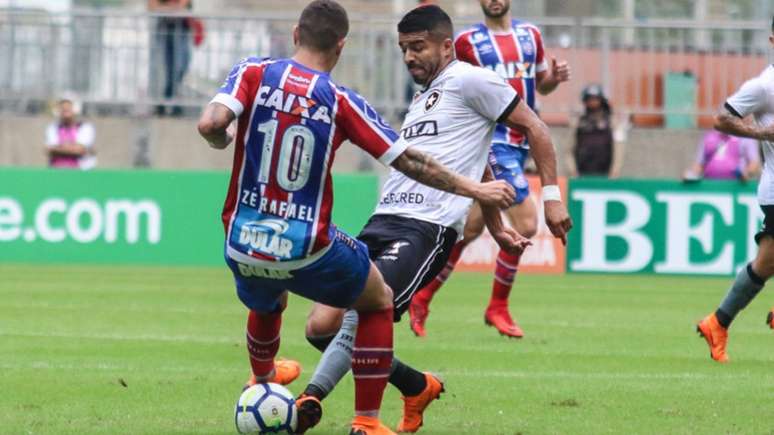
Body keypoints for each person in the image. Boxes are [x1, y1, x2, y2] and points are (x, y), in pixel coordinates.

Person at [196, 2, 516, 434]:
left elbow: (211, 124)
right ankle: (366, 421)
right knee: (376, 299)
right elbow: (408, 162)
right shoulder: (340, 99)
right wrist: (476, 190)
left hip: (241, 240)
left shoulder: (252, 71)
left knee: (270, 296)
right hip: (307, 244)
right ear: (340, 46)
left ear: (295, 34)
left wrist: (223, 137)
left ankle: (263, 378)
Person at [295, 5, 571, 434]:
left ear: (446, 45)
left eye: (418, 47)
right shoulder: (425, 96)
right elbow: (475, 159)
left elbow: (535, 127)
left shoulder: (472, 78)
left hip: (427, 228)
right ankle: (414, 385)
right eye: (404, 49)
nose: (409, 57)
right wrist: (497, 226)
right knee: (319, 327)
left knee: (365, 310)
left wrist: (551, 197)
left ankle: (323, 405)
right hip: (383, 219)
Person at [409, 0, 571, 338]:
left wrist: (552, 80)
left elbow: (540, 85)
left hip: (521, 143)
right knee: (526, 222)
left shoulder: (531, 35)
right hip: (492, 140)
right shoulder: (467, 41)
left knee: (469, 230)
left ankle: (422, 297)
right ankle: (497, 306)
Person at [696, 15, 774, 363]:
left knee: (766, 263)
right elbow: (722, 119)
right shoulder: (764, 86)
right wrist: (761, 133)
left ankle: (717, 322)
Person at [567, 84, 627, 178]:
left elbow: (618, 149)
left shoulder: (612, 122)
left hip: (606, 172)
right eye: (589, 99)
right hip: (582, 172)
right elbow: (570, 149)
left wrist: (615, 171)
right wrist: (573, 171)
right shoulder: (579, 122)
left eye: (595, 99)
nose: (592, 102)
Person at [149, 0, 192, 116]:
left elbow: (182, 6)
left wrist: (165, 8)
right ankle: (167, 103)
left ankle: (167, 101)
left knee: (180, 68)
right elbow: (152, 6)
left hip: (181, 31)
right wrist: (172, 9)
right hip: (164, 32)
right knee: (165, 70)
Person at [682, 130, 760, 181]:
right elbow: (699, 164)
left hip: (736, 185)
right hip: (710, 185)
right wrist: (691, 174)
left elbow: (754, 163)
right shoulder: (709, 137)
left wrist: (747, 172)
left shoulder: (745, 138)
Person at [45, 97, 97, 170]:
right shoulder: (53, 128)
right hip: (57, 171)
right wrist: (71, 147)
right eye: (62, 109)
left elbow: (80, 150)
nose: (65, 111)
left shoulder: (85, 127)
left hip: (81, 173)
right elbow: (49, 149)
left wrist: (60, 148)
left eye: (68, 108)